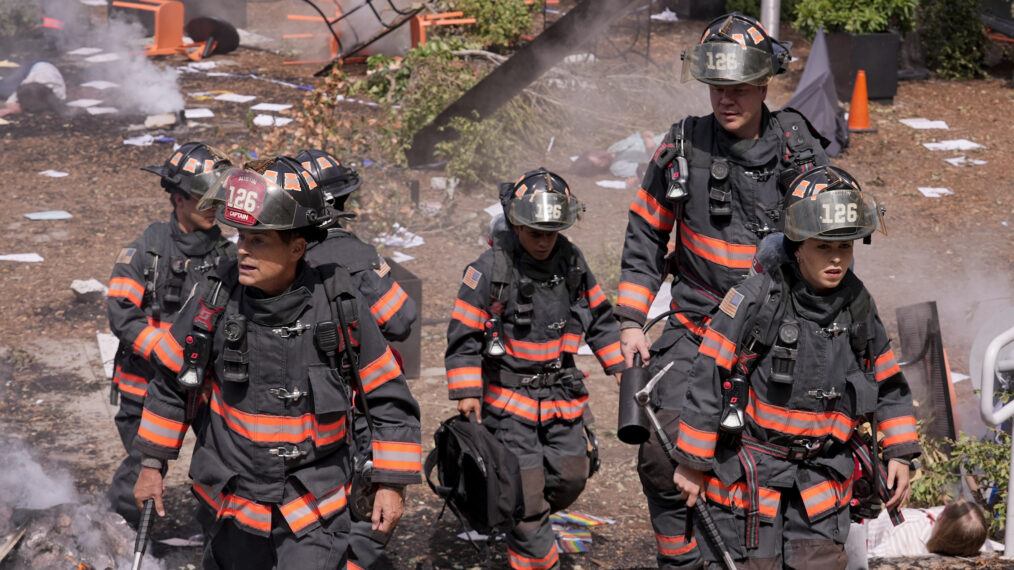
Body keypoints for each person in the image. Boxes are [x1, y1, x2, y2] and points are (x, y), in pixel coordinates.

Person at [614, 12, 831, 568]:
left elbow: (830, 244)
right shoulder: (682, 145)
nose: (725, 99)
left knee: (759, 462)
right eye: (716, 88)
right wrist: (633, 320)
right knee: (665, 460)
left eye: (738, 88)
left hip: (775, 335)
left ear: (764, 85)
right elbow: (644, 231)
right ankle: (680, 562)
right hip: (694, 326)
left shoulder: (797, 149)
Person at [131, 156, 423, 569]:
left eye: (260, 241)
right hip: (232, 504)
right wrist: (152, 464)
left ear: (297, 247)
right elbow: (171, 383)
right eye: (241, 237)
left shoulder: (340, 304)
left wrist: (391, 484)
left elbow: (388, 397)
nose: (244, 251)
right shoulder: (214, 297)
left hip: (312, 507)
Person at [670, 166, 921, 568]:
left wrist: (900, 454)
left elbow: (888, 382)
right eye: (823, 246)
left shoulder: (858, 304)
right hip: (752, 485)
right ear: (796, 243)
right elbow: (707, 378)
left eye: (846, 246)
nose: (837, 258)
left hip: (821, 484)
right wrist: (693, 462)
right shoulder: (754, 299)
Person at [445, 168, 625, 570]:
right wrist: (467, 391)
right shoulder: (489, 268)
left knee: (571, 476)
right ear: (515, 223)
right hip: (508, 404)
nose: (544, 242)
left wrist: (620, 367)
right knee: (526, 500)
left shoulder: (572, 261)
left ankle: (522, 513)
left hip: (562, 396)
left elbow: (599, 317)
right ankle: (533, 546)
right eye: (534, 233)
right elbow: (462, 335)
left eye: (551, 233)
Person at [105, 142, 236, 527]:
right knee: (142, 467)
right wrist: (163, 350)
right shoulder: (146, 250)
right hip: (144, 387)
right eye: (203, 200)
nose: (213, 208)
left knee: (220, 465)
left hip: (205, 389)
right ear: (178, 198)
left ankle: (219, 536)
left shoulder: (228, 256)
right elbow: (122, 314)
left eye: (217, 201)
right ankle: (117, 530)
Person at [299, 148, 419, 568]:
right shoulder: (354, 255)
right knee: (365, 519)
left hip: (298, 417)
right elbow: (401, 319)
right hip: (358, 409)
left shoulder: (275, 258)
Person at [866, 499, 991, 558]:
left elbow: (869, 561)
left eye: (948, 506)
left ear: (941, 517)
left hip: (867, 532)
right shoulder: (968, 540)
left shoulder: (904, 529)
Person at [0, 60, 66, 117]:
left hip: (47, 67)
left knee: (8, 87)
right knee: (4, 88)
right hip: (32, 66)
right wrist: (11, 105)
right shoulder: (32, 80)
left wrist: (12, 110)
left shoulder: (59, 93)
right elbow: (15, 94)